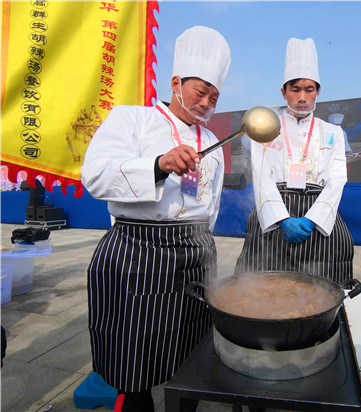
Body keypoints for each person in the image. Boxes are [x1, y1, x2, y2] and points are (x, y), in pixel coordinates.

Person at [80, 26, 231, 412]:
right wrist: (158, 165)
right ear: (176, 83)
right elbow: (95, 176)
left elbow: (211, 204)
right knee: (134, 352)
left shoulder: (213, 145)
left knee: (193, 346)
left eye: (214, 97)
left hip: (196, 252)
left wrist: (204, 243)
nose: (206, 103)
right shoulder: (132, 119)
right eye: (200, 91)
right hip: (138, 250)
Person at [234, 37, 354, 283]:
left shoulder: (333, 132)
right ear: (283, 92)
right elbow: (262, 177)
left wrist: (311, 219)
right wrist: (282, 219)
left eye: (309, 90)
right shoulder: (265, 127)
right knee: (262, 284)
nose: (302, 97)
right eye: (295, 89)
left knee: (323, 285)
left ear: (318, 92)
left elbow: (337, 179)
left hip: (319, 217)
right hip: (274, 216)